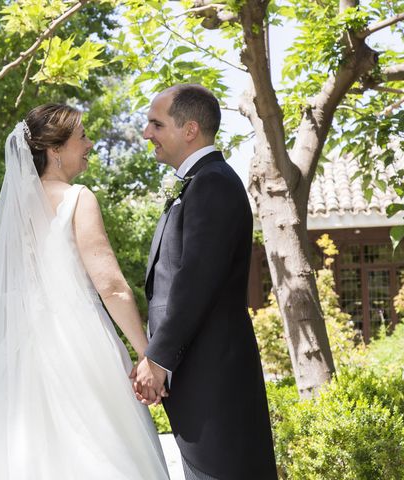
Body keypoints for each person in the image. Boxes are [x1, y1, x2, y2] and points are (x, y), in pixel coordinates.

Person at [0, 103, 169, 479]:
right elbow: (112, 286)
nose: (90, 143)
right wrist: (146, 355)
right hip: (79, 344)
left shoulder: (16, 209)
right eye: (82, 137)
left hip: (23, 347)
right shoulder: (77, 198)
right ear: (55, 150)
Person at [132, 84, 277, 480]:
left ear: (190, 129)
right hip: (199, 370)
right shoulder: (200, 182)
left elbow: (194, 283)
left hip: (214, 376)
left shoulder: (212, 183)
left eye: (155, 124)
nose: (147, 133)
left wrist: (157, 358)